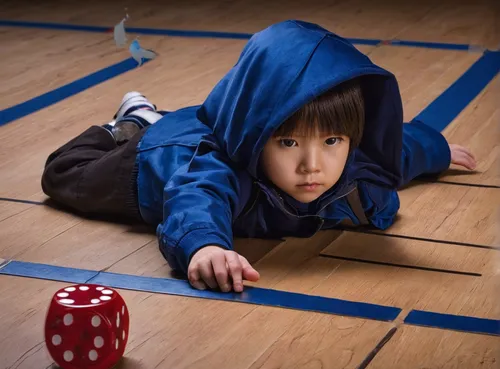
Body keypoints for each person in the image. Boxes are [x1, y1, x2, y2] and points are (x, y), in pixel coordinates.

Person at [41, 20, 476, 293]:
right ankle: (132, 123)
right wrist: (204, 245)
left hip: (199, 129)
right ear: (259, 137)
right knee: (63, 175)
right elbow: (198, 196)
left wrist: (437, 150)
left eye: (331, 142)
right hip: (155, 160)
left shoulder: (356, 166)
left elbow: (396, 148)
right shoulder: (216, 169)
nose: (312, 166)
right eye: (288, 143)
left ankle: (151, 115)